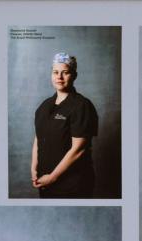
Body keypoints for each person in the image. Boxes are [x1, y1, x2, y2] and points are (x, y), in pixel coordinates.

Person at [31, 53, 99, 198]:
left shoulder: (82, 106)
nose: (59, 77)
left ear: (74, 75)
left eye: (65, 72)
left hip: (73, 185)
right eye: (55, 72)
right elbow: (38, 137)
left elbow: (78, 150)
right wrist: (33, 167)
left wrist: (52, 177)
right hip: (45, 182)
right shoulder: (44, 106)